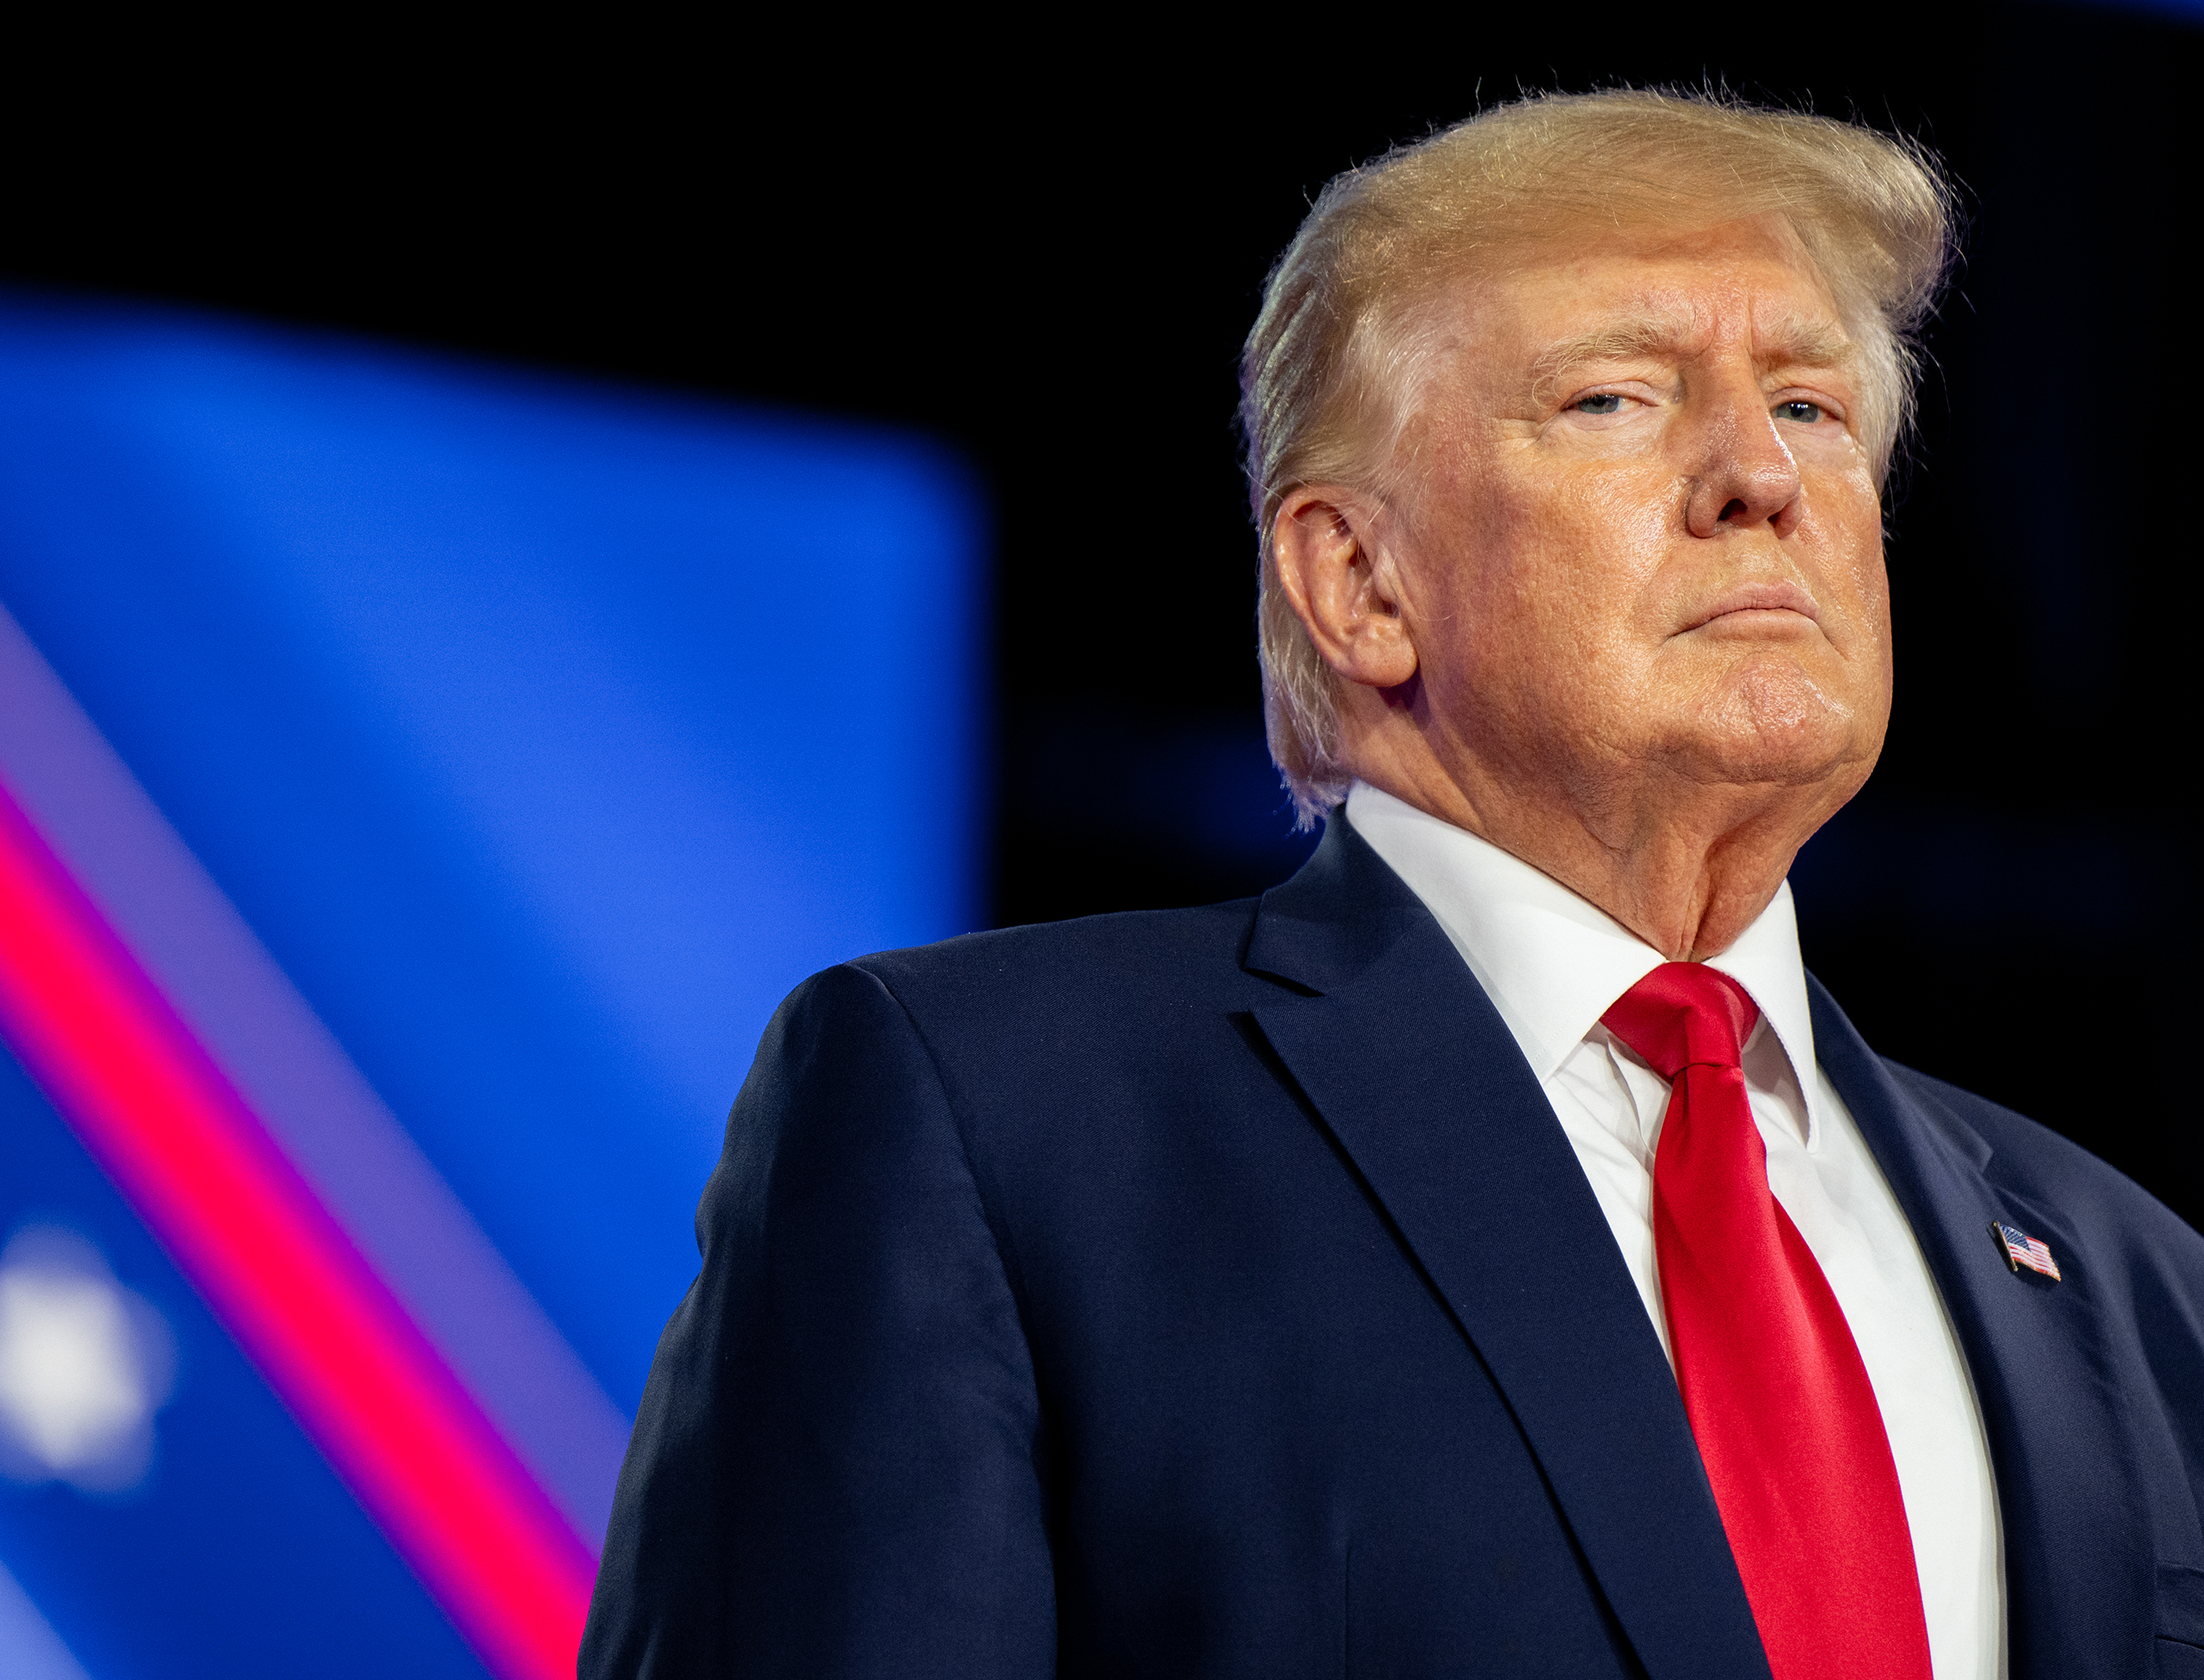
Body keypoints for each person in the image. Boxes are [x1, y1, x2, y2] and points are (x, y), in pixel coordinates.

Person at [578, 90, 2204, 1680]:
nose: (1760, 475)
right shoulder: (996, 1122)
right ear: (1359, 582)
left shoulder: (2136, 1280)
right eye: (1613, 398)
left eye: (1811, 407)